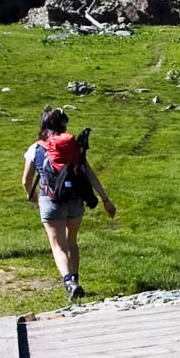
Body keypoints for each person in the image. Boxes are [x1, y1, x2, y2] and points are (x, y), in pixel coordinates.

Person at [22, 107, 115, 302]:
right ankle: (76, 278)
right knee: (72, 241)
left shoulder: (36, 148)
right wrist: (105, 199)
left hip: (50, 201)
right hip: (75, 200)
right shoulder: (73, 148)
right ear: (64, 124)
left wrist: (30, 194)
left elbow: (26, 180)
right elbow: (89, 174)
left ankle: (69, 282)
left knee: (58, 245)